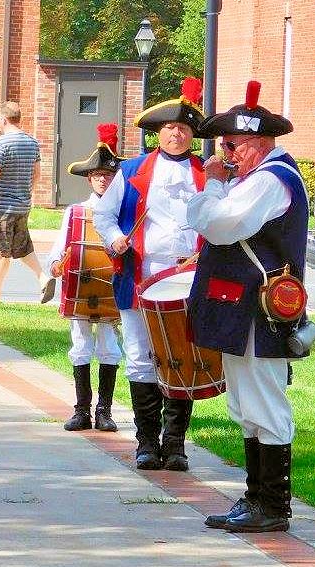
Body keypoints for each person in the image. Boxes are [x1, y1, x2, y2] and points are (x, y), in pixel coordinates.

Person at [189, 81, 306, 533]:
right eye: (224, 145)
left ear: (258, 144)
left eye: (232, 145)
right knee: (246, 403)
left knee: (265, 404)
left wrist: (212, 187)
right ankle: (256, 498)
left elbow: (217, 225)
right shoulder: (254, 178)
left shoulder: (272, 179)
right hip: (241, 307)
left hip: (261, 308)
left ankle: (274, 506)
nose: (225, 154)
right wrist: (215, 193)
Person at [93, 77, 207, 472]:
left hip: (189, 278)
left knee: (181, 355)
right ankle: (146, 442)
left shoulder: (206, 173)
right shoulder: (132, 170)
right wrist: (115, 239)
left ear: (192, 133)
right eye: (169, 128)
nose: (176, 133)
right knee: (141, 356)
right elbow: (103, 215)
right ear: (158, 133)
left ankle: (175, 444)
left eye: (183, 127)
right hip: (140, 276)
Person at [47, 124, 123, 432]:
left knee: (108, 344)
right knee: (80, 344)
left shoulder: (123, 212)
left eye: (108, 175)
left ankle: (104, 409)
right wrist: (55, 265)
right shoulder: (76, 212)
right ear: (89, 179)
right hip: (79, 287)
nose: (103, 180)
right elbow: (59, 248)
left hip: (110, 290)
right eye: (97, 175)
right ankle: (81, 409)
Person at [0, 101, 49, 302]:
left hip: (3, 206)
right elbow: (37, 174)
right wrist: (27, 192)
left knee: (3, 250)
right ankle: (43, 277)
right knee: (22, 247)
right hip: (23, 205)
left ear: (2, 119)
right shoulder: (32, 142)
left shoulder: (0, 143)